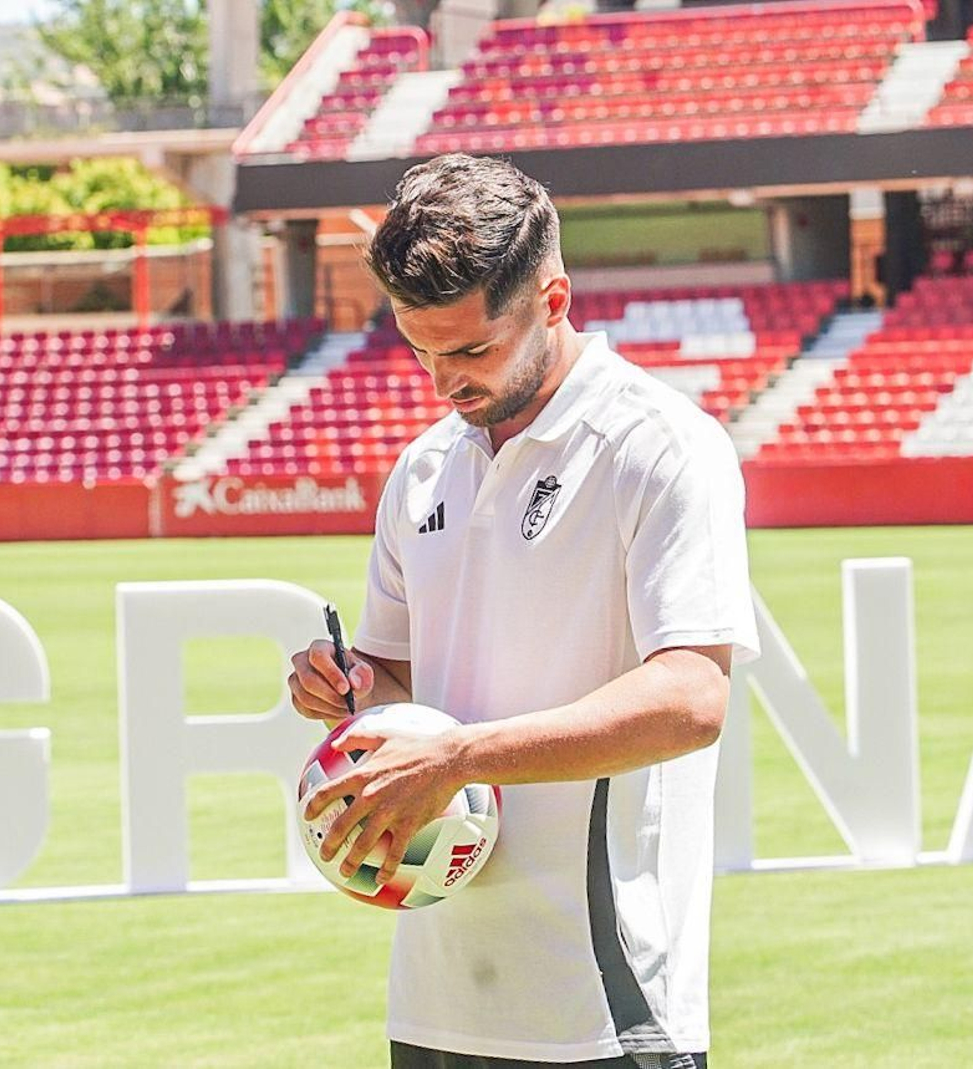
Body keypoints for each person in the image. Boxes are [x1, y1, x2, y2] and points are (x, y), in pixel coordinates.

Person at [288, 153, 759, 1068]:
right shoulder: (424, 466)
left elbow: (691, 698)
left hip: (604, 1005)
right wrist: (349, 688)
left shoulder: (661, 448)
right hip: (436, 999)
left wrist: (460, 756)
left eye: (470, 350)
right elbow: (400, 686)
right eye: (420, 350)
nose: (443, 381)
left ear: (553, 300)